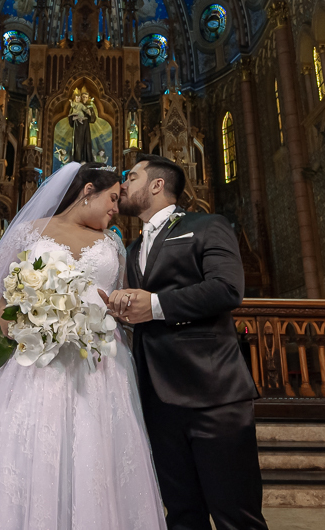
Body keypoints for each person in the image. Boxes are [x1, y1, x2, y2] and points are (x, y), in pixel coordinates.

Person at [0, 162, 166, 530]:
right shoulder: (28, 232)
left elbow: (116, 296)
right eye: (112, 198)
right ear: (87, 191)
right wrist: (9, 319)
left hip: (97, 365)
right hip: (35, 364)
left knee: (95, 457)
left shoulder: (112, 243)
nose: (116, 208)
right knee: (29, 453)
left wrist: (119, 308)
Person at [108, 154, 267, 530]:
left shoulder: (207, 225)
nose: (123, 185)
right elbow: (143, 312)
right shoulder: (131, 251)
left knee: (236, 515)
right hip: (158, 400)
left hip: (212, 393)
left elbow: (227, 289)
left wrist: (156, 305)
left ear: (157, 185)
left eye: (131, 177)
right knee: (181, 515)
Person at [69, 90, 97, 163]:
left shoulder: (90, 107)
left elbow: (93, 119)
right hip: (78, 126)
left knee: (86, 142)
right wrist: (74, 118)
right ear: (81, 97)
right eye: (83, 97)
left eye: (86, 97)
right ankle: (77, 160)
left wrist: (90, 114)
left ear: (88, 98)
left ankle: (87, 160)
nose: (84, 98)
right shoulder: (76, 105)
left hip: (85, 126)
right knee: (78, 143)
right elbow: (70, 117)